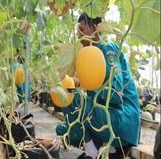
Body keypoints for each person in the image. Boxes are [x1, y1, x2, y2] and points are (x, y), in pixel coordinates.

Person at [55, 13, 141, 159]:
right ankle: (102, 145)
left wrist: (86, 85)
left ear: (94, 28)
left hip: (123, 119)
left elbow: (114, 94)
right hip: (107, 116)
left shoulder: (108, 49)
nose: (79, 34)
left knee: (79, 104)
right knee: (66, 95)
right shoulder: (87, 54)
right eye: (77, 30)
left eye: (81, 29)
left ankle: (91, 148)